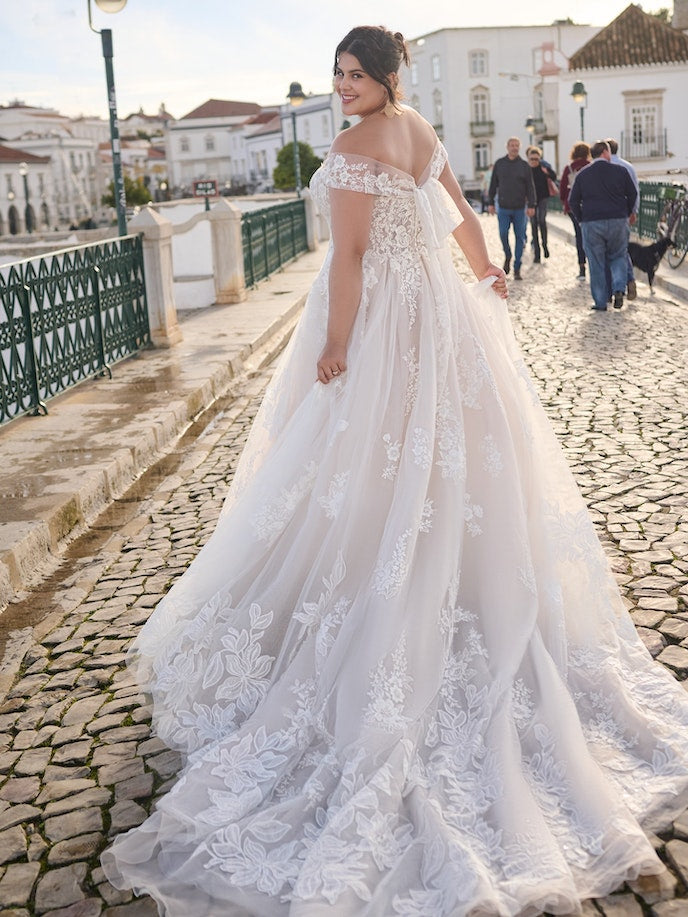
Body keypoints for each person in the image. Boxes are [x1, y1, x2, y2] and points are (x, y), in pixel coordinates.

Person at [102, 26, 688, 917]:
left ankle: (397, 589)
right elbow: (459, 210)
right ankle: (446, 579)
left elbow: (350, 257)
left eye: (355, 75)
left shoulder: (350, 149)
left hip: (385, 328)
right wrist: (486, 272)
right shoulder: (416, 128)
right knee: (459, 468)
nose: (343, 88)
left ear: (386, 77)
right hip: (445, 325)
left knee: (368, 467)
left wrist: (337, 346)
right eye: (337, 75)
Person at [569, 139, 637, 311]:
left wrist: (581, 218)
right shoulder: (620, 171)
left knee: (596, 262)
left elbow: (573, 200)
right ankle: (619, 289)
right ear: (606, 152)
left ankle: (600, 302)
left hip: (592, 222)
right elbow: (632, 193)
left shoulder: (583, 174)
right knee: (618, 256)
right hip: (617, 220)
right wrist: (627, 212)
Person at [488, 136, 536, 279]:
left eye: (517, 145)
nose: (514, 147)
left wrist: (532, 205)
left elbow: (530, 187)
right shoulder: (500, 164)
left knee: (520, 237)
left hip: (520, 208)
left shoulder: (524, 166)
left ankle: (517, 267)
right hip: (503, 207)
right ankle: (508, 255)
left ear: (519, 147)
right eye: (512, 145)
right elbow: (493, 185)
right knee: (503, 234)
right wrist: (490, 203)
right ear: (507, 147)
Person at [607, 137, 640, 300]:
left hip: (605, 215)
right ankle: (629, 280)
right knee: (621, 250)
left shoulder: (603, 166)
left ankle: (614, 286)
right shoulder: (628, 166)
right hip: (624, 214)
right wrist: (633, 211)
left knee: (608, 252)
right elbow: (635, 191)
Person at [559, 141, 591, 280]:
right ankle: (593, 265)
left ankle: (582, 268)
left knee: (579, 236)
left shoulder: (569, 168)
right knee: (590, 237)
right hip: (589, 205)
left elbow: (562, 189)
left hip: (573, 206)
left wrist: (564, 203)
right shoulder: (590, 167)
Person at [526, 145, 558, 262]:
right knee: (533, 224)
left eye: (536, 159)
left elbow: (554, 177)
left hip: (543, 198)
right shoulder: (526, 169)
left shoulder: (544, 167)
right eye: (532, 159)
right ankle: (537, 253)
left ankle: (545, 245)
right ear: (528, 159)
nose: (534, 161)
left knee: (541, 221)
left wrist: (547, 172)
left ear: (539, 159)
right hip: (531, 200)